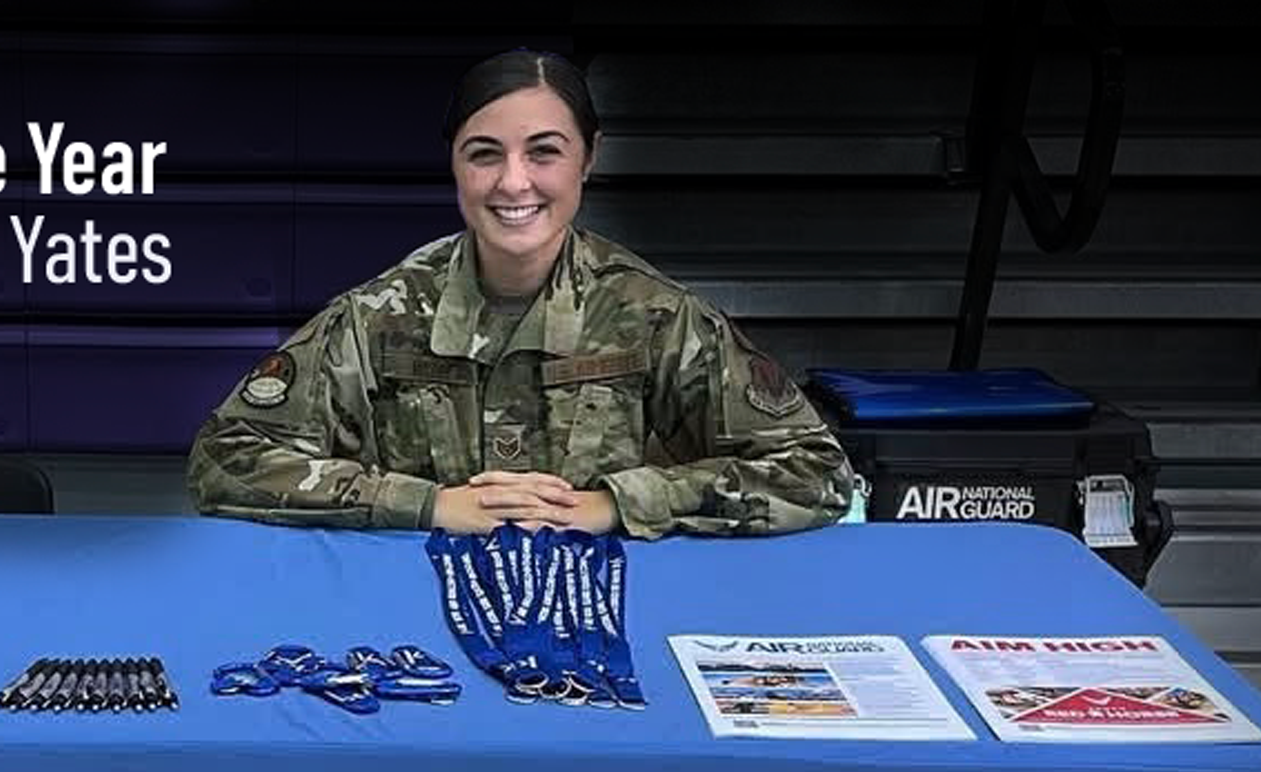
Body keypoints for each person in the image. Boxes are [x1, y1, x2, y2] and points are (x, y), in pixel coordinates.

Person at [187, 49, 854, 538]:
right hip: (411, 610)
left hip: (603, 608)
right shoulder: (377, 318)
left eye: (544, 152)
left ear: (587, 159)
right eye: (484, 154)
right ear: (454, 164)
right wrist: (425, 504)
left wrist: (618, 504)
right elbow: (226, 461)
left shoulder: (655, 317)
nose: (513, 183)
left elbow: (817, 471)